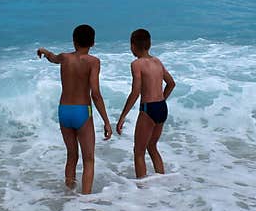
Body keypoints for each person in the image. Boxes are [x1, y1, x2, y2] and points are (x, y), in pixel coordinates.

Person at [37, 24, 112, 194]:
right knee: (89, 160)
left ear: (73, 41)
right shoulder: (93, 62)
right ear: (93, 43)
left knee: (71, 156)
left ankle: (69, 195)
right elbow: (96, 93)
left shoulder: (64, 57)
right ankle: (85, 202)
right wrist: (107, 121)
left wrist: (43, 50)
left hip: (64, 111)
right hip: (82, 112)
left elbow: (52, 58)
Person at [116, 28, 176, 179]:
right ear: (149, 44)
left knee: (139, 152)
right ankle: (162, 181)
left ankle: (143, 190)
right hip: (162, 107)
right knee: (152, 147)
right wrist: (161, 99)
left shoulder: (137, 64)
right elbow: (171, 83)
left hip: (148, 109)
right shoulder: (157, 61)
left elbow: (136, 92)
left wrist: (122, 116)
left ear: (133, 46)